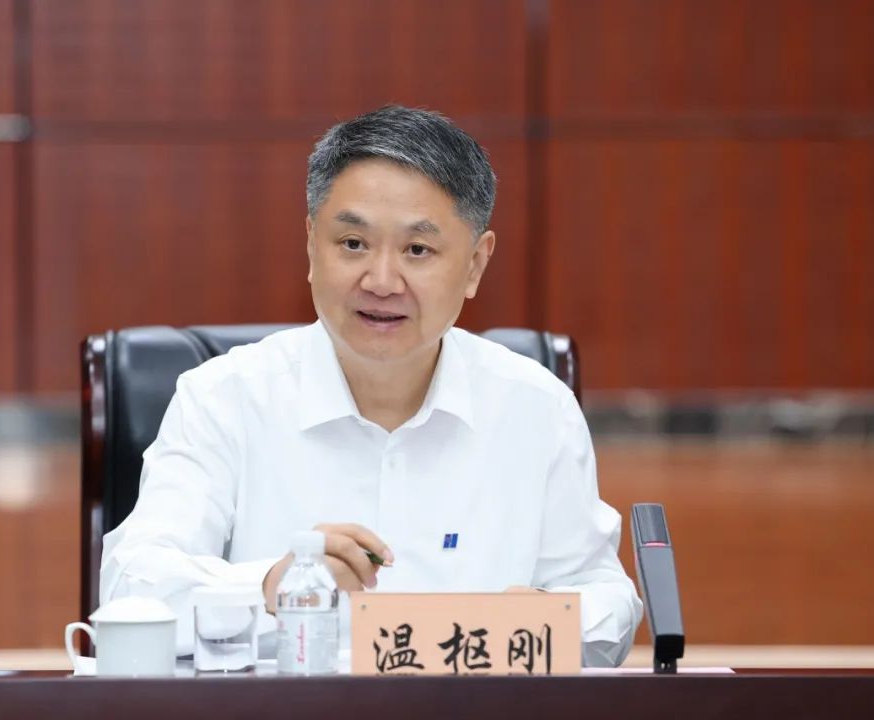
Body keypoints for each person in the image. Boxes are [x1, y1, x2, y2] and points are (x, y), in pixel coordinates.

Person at [99, 105, 642, 667]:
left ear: (476, 265)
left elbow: (608, 601)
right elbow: (131, 588)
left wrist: (551, 616)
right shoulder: (223, 398)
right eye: (353, 243)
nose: (381, 282)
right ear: (312, 246)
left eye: (417, 250)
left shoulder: (535, 407)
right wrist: (269, 587)